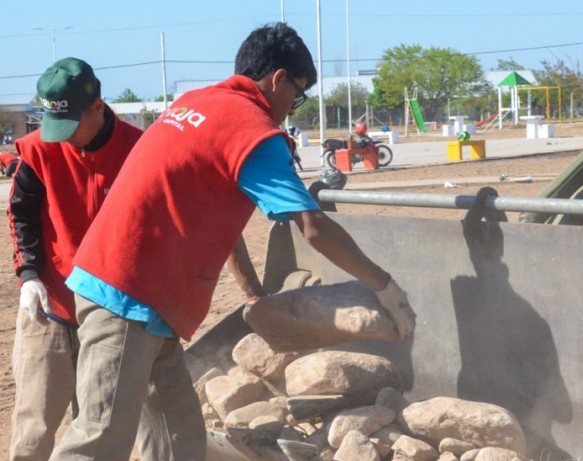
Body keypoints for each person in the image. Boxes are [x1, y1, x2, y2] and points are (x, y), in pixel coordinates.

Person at [51, 23, 416, 460]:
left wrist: (252, 293)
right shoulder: (253, 129)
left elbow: (214, 221)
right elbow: (313, 227)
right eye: (298, 95)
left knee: (179, 439)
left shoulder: (196, 102)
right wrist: (384, 287)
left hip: (143, 298)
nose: (292, 108)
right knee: (98, 439)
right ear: (278, 79)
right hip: (127, 296)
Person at [6, 58, 163, 460]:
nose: (62, 138)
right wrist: (29, 275)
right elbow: (22, 213)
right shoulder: (39, 150)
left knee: (101, 425)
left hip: (115, 312)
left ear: (97, 106)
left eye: (70, 125)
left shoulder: (138, 150)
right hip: (51, 304)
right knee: (33, 428)